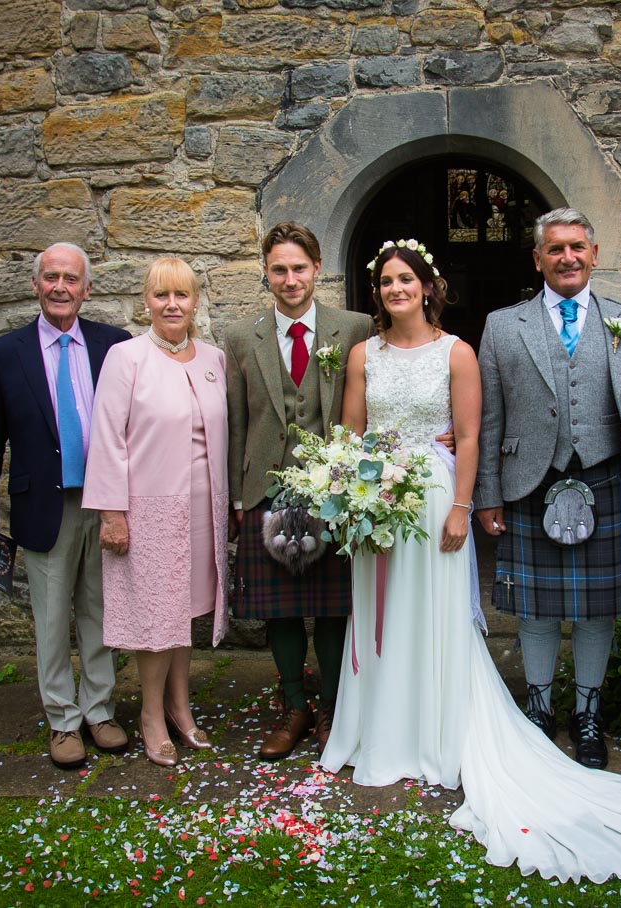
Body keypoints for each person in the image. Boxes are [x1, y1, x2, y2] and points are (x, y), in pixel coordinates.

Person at [322, 240, 621, 882]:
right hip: (378, 500)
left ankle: (550, 717)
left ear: (428, 286)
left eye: (407, 279)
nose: (397, 289)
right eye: (387, 281)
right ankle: (386, 732)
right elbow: (353, 434)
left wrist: (463, 505)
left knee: (445, 617)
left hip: (444, 498)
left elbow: (473, 432)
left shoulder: (463, 349)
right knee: (386, 617)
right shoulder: (370, 353)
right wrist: (353, 494)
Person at [475, 207, 621, 768]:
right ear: (538, 259)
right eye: (555, 249)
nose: (568, 257)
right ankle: (539, 710)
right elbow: (489, 418)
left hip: (608, 478)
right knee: (535, 609)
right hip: (530, 482)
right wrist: (487, 493)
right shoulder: (503, 326)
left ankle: (588, 714)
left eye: (577, 247)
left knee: (597, 611)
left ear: (594, 255)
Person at [0, 242, 132, 769]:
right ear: (36, 285)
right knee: (52, 618)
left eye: (71, 279)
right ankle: (62, 720)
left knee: (100, 612)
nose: (61, 287)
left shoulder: (115, 346)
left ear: (87, 289)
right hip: (44, 506)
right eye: (52, 277)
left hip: (106, 504)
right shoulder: (2, 355)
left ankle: (99, 711)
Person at [223, 222, 373, 760]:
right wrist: (237, 499)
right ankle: (294, 707)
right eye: (280, 269)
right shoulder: (241, 337)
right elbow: (236, 421)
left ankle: (331, 708)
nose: (290, 279)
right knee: (281, 610)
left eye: (300, 268)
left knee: (333, 608)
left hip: (334, 489)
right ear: (266, 273)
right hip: (266, 489)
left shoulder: (354, 328)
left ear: (317, 269)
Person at [82, 258, 229, 767]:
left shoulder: (213, 359)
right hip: (149, 509)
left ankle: (179, 706)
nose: (172, 304)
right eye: (161, 295)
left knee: (184, 610)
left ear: (195, 302)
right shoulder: (126, 358)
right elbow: (106, 438)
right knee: (155, 615)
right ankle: (150, 714)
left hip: (202, 506)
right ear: (146, 301)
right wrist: (111, 513)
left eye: (181, 295)